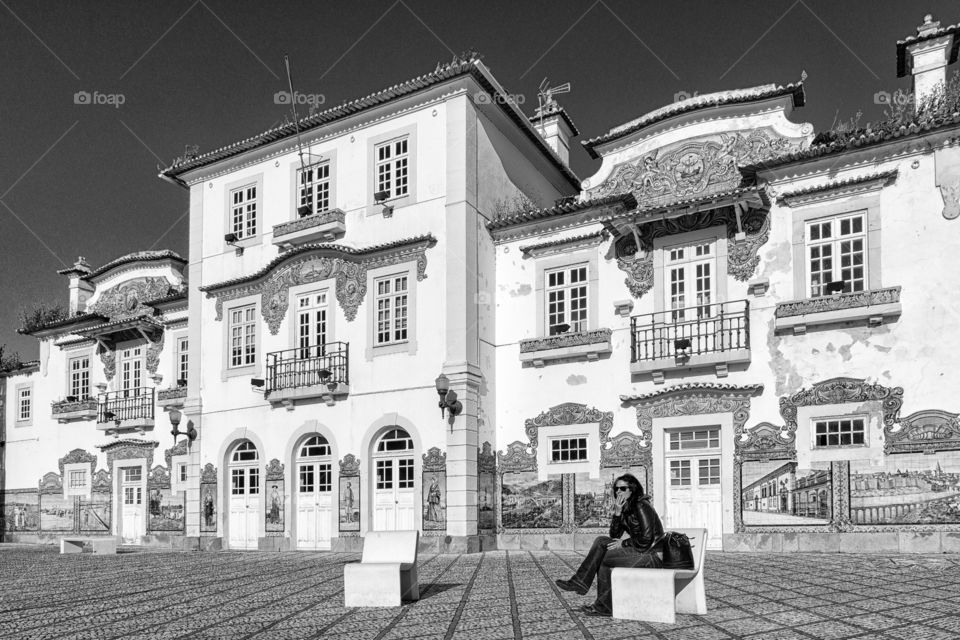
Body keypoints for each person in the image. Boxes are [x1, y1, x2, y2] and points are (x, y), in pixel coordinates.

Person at [555, 473, 664, 617]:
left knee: (604, 559)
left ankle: (599, 602)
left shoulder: (641, 505)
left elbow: (647, 539)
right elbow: (614, 535)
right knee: (601, 541)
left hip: (652, 554)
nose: (618, 491)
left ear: (632, 489)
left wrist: (624, 543)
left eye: (623, 488)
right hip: (640, 550)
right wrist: (617, 513)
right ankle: (584, 587)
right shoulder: (626, 507)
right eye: (616, 489)